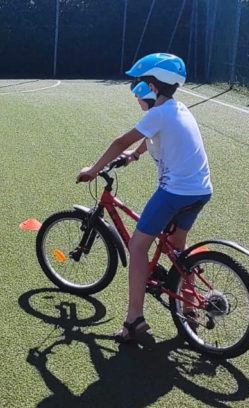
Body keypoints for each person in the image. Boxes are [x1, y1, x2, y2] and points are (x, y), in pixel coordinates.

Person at [76, 53, 212, 342]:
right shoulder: (179, 108)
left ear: (153, 85)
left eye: (142, 83)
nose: (140, 90)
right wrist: (135, 156)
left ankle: (134, 320)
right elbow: (149, 138)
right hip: (200, 190)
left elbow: (120, 141)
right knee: (178, 251)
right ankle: (190, 312)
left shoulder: (157, 113)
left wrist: (93, 170)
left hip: (175, 192)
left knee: (138, 247)